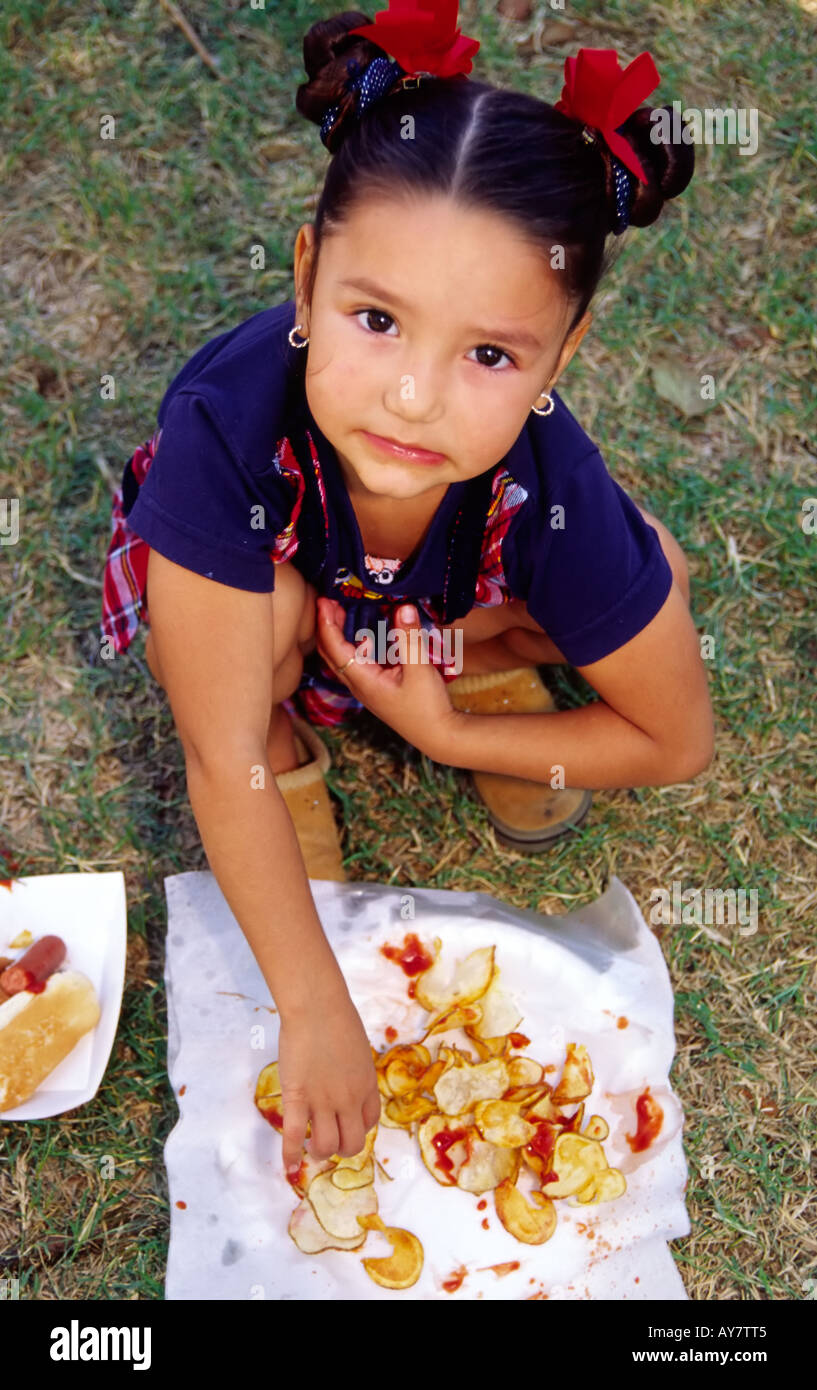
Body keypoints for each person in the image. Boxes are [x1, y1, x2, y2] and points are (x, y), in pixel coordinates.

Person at [100, 5, 714, 1179]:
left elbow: (678, 739)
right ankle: (311, 738)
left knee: (646, 575)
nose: (415, 398)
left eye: (489, 354)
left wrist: (442, 725)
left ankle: (474, 669)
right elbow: (211, 755)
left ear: (560, 354)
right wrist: (316, 1005)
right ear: (307, 274)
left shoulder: (548, 482)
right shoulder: (226, 429)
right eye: (375, 320)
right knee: (241, 656)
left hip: (437, 620)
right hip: (284, 603)